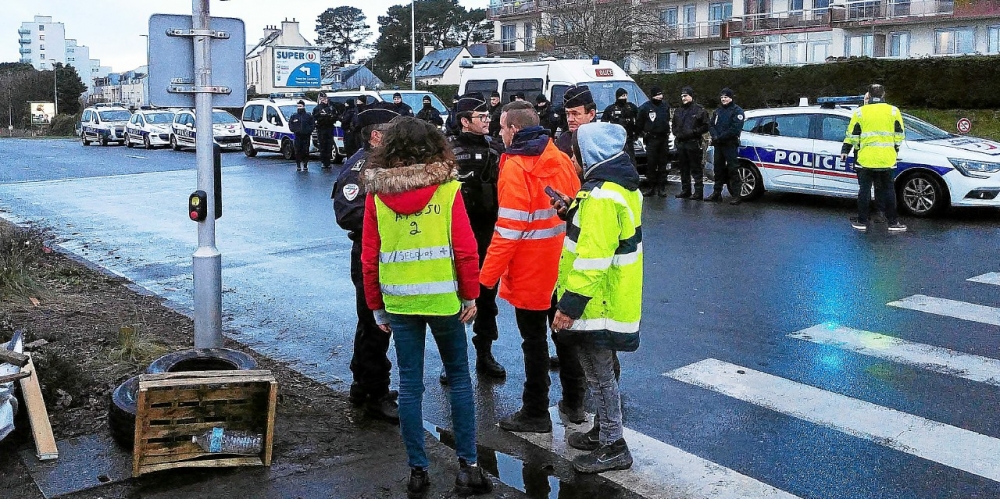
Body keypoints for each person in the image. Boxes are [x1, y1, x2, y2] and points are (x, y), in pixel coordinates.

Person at [360, 116, 493, 498]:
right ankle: (468, 466)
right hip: (444, 300)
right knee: (460, 381)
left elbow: (370, 256)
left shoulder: (376, 195)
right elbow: (466, 250)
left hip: (400, 300)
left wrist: (376, 305)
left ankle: (418, 471)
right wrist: (471, 295)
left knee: (410, 386)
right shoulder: (448, 190)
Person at [480, 101, 585, 433]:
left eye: (500, 127)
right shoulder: (559, 157)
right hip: (563, 266)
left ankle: (536, 411)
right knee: (565, 338)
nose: (499, 132)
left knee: (534, 342)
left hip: (529, 271)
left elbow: (508, 231)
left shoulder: (513, 167)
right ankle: (574, 404)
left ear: (513, 130)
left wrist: (485, 279)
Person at [551, 121, 642, 474]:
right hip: (609, 298)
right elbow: (599, 236)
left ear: (590, 155)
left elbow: (593, 258)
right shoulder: (616, 187)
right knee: (598, 372)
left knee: (599, 374)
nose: (572, 159)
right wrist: (571, 211)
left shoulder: (602, 197)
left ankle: (613, 445)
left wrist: (569, 306)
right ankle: (603, 431)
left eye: (574, 152)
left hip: (596, 303)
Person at [332, 103, 402, 424]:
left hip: (383, 253)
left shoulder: (384, 165)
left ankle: (362, 383)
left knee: (371, 324)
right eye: (391, 132)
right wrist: (386, 222)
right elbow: (347, 212)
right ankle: (376, 393)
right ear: (376, 136)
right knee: (376, 324)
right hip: (369, 255)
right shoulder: (360, 168)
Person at [441, 93, 507, 384]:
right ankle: (452, 360)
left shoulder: (496, 148)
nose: (487, 121)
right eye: (481, 118)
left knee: (487, 298)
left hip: (488, 232)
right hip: (458, 234)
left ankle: (485, 353)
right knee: (457, 299)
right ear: (465, 121)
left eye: (488, 117)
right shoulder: (448, 152)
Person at [840, 84, 907, 233]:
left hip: (865, 159)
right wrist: (893, 149)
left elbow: (852, 136)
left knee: (864, 190)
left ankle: (862, 221)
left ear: (869, 96)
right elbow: (899, 135)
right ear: (884, 95)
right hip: (887, 159)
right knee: (889, 190)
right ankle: (893, 222)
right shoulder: (893, 111)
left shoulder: (860, 113)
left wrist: (850, 150)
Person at [671, 86, 711, 200]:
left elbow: (706, 126)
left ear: (691, 96)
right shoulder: (678, 111)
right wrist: (676, 133)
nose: (683, 98)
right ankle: (685, 190)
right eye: (682, 96)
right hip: (681, 143)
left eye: (685, 96)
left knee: (696, 168)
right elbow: (674, 124)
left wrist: (693, 132)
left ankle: (698, 192)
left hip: (693, 143)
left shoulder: (699, 110)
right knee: (683, 168)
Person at [707, 88, 745, 204]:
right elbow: (711, 124)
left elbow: (735, 129)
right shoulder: (718, 111)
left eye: (726, 97)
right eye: (722, 97)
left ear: (731, 98)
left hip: (730, 144)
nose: (723, 99)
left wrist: (721, 137)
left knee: (733, 169)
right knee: (718, 169)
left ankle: (736, 195)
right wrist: (714, 136)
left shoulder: (737, 111)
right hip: (718, 145)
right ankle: (716, 193)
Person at [635, 86, 672, 197]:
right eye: (657, 95)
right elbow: (639, 124)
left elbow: (667, 119)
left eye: (661, 94)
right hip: (652, 139)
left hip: (663, 139)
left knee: (662, 164)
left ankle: (661, 188)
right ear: (652, 96)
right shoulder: (645, 108)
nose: (660, 97)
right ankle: (651, 187)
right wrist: (644, 134)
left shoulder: (665, 105)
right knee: (651, 164)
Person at [555, 85, 596, 157]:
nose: (570, 119)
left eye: (575, 114)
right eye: (567, 114)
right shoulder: (561, 144)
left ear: (591, 114)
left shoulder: (603, 142)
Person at [601, 88, 639, 163]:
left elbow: (639, 120)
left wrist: (637, 133)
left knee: (631, 160)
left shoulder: (631, 107)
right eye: (622, 96)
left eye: (625, 95)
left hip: (629, 138)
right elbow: (603, 123)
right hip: (615, 140)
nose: (624, 98)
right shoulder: (611, 109)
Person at [313, 92, 340, 168]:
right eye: (322, 98)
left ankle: (328, 162)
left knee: (329, 146)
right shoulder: (317, 108)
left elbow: (335, 116)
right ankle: (324, 162)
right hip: (321, 129)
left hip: (329, 128)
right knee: (322, 146)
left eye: (325, 98)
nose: (324, 100)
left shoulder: (331, 108)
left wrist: (331, 117)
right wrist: (321, 118)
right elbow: (315, 118)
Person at [288, 100, 315, 172]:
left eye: (300, 106)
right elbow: (291, 124)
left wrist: (308, 131)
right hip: (297, 136)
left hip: (306, 136)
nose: (299, 108)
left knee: (305, 151)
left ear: (303, 106)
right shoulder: (294, 116)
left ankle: (305, 165)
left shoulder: (308, 116)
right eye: (298, 106)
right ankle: (298, 165)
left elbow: (312, 125)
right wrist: (294, 130)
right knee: (297, 151)